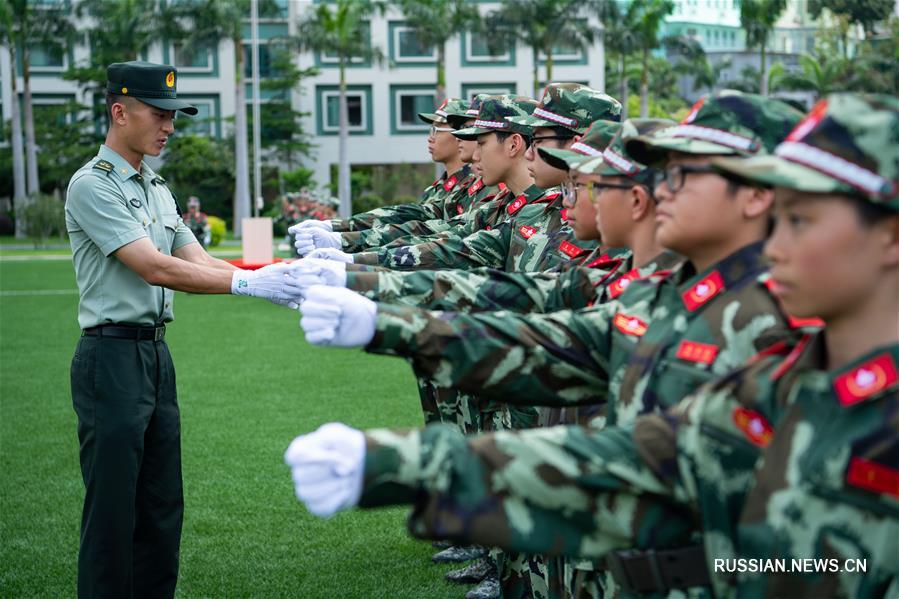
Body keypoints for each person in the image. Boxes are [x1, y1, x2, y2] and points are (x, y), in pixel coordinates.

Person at [284, 92, 899, 598]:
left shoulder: (772, 337)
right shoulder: (794, 373)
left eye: (802, 219)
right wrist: (394, 461)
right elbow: (640, 457)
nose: (778, 243)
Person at [64, 61, 305, 599]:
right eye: (159, 112)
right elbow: (156, 267)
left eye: (174, 115)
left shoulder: (155, 187)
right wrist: (251, 289)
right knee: (112, 512)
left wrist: (273, 277)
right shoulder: (93, 186)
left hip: (154, 357)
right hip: (110, 359)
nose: (169, 125)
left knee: (161, 504)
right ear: (120, 112)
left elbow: (196, 258)